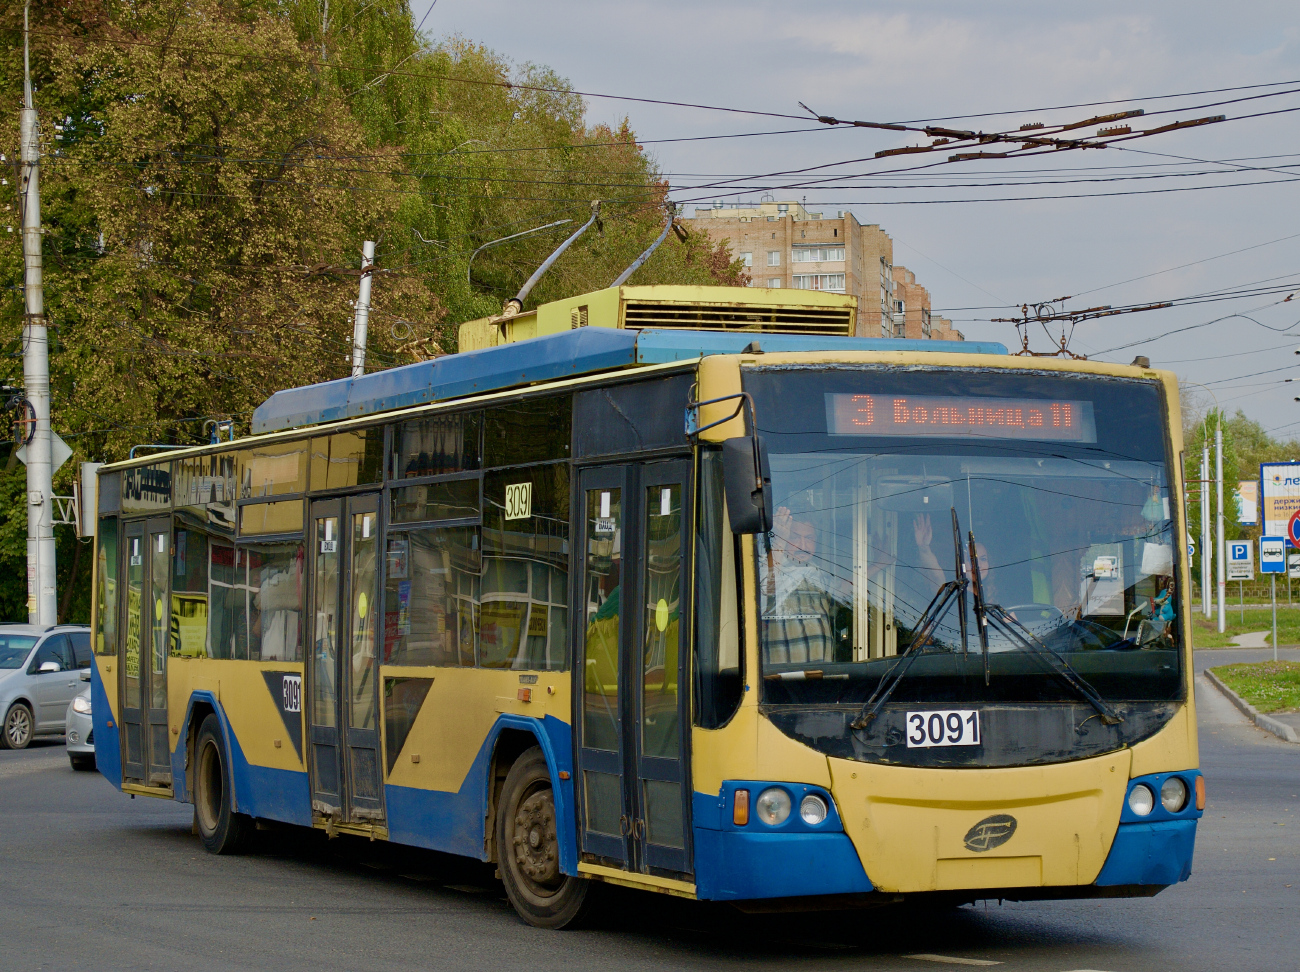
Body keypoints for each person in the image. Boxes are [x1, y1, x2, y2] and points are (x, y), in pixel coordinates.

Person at [761, 507, 850, 665]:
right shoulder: (771, 565)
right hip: (782, 676)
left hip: (821, 672)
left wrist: (877, 564)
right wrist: (780, 539)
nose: (803, 545)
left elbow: (842, 590)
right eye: (795, 537)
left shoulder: (815, 571)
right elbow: (766, 590)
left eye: (809, 538)